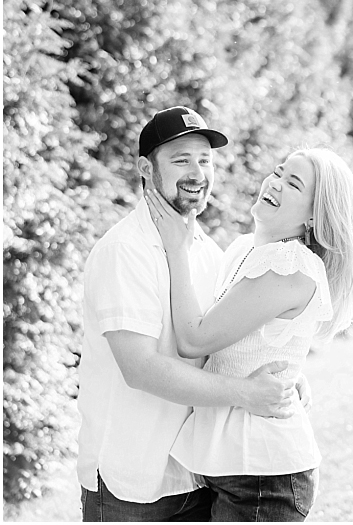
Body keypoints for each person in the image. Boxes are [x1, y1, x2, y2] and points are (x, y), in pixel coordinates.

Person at [77, 106, 306, 522]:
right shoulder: (124, 251)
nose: (197, 172)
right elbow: (140, 369)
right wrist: (246, 394)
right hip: (132, 482)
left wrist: (285, 376)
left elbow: (223, 344)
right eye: (181, 159)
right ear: (146, 168)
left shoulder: (207, 252)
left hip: (197, 476)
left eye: (204, 160)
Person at [144, 147, 353, 521]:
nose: (275, 184)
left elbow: (194, 339)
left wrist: (176, 249)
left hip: (263, 476)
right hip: (229, 465)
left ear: (315, 216)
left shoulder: (290, 265)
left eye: (293, 184)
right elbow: (250, 342)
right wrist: (294, 374)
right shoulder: (244, 248)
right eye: (279, 172)